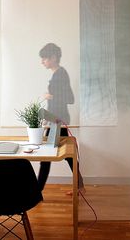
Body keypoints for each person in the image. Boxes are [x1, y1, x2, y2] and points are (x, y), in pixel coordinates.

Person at [37, 43, 84, 193]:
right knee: (62, 155)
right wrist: (47, 116)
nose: (42, 62)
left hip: (59, 120)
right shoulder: (57, 74)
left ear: (53, 57)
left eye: (44, 58)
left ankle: (37, 192)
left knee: (48, 156)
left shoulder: (61, 74)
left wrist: (51, 96)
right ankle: (80, 186)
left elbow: (70, 98)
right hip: (55, 119)